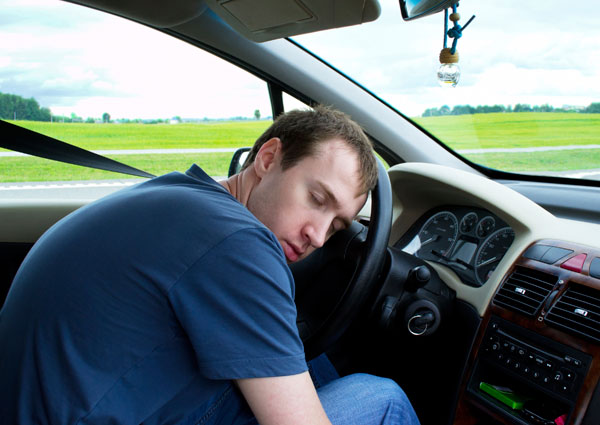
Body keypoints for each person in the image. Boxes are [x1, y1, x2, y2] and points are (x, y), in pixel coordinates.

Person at [0, 106, 420, 425]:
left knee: (307, 365)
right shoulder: (237, 242)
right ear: (268, 158)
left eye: (338, 226)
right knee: (381, 399)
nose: (318, 235)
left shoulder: (182, 199)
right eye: (316, 198)